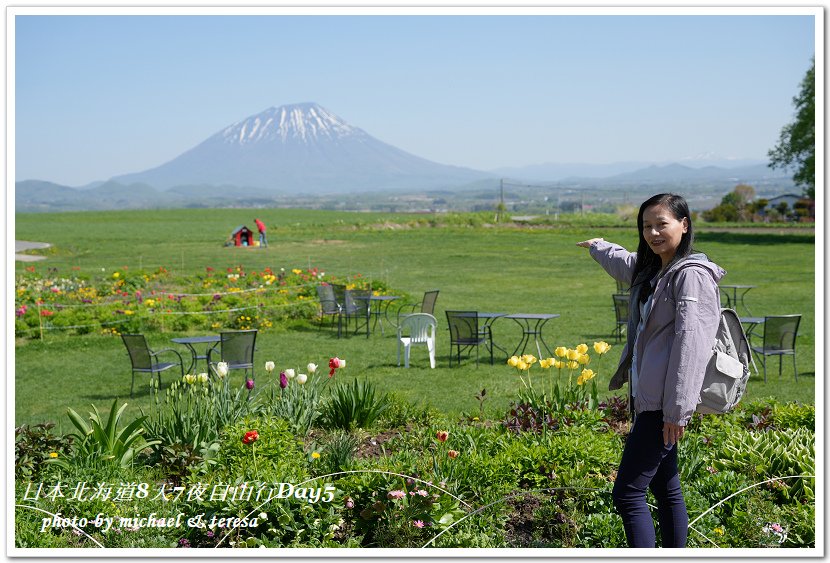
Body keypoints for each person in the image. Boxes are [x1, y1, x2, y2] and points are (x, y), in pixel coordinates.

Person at [576, 193, 724, 548]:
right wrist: (599, 246)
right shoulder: (658, 270)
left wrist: (676, 410)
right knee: (665, 485)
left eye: (662, 224)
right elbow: (628, 265)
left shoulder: (691, 277)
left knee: (628, 492)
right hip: (650, 400)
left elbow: (691, 346)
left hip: (663, 405)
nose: (653, 233)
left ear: (684, 225)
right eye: (646, 226)